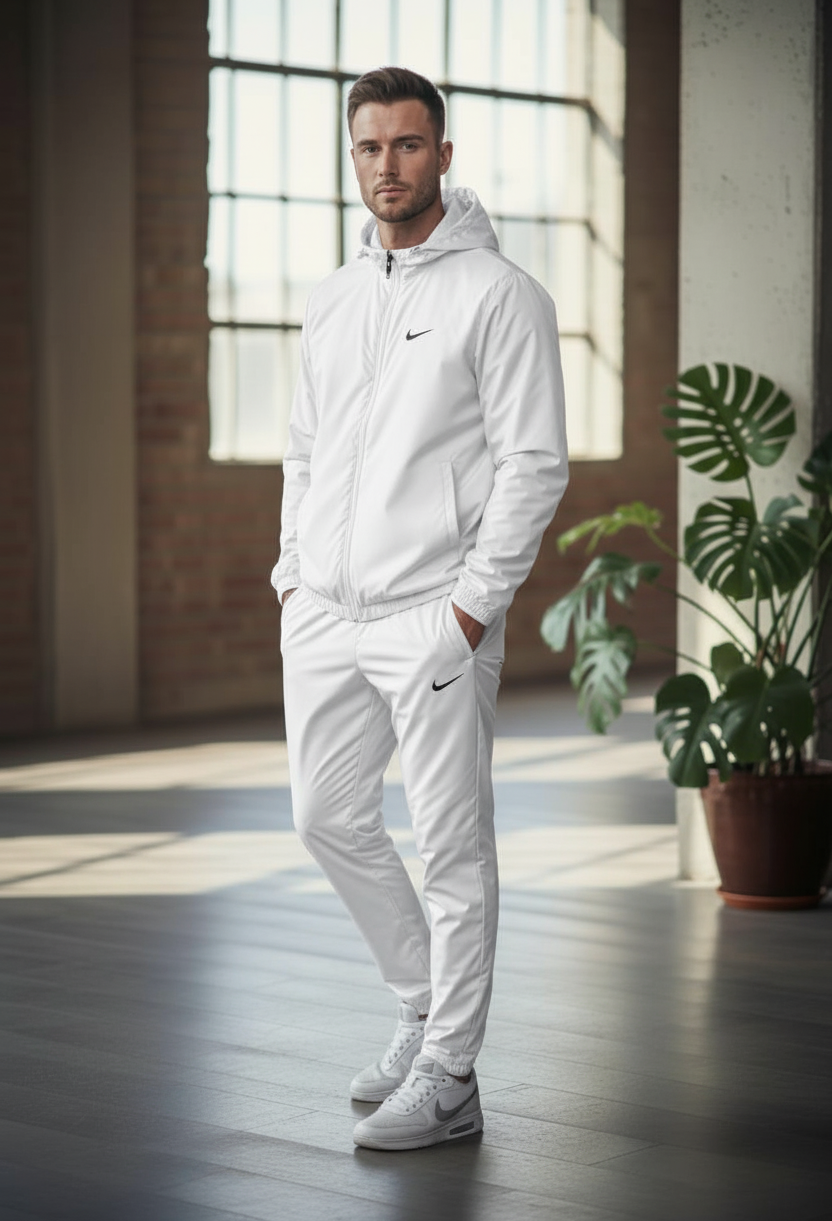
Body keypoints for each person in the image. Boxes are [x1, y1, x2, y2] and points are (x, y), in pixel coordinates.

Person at [272, 66, 568, 1152]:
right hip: (325, 610)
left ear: (443, 155)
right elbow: (305, 451)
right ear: (352, 157)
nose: (386, 166)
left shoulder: (500, 295)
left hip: (433, 615)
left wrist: (472, 611)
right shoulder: (333, 298)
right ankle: (420, 1005)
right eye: (369, 147)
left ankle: (451, 1077)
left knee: (452, 847)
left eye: (406, 145)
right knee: (326, 816)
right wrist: (292, 572)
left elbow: (534, 463)